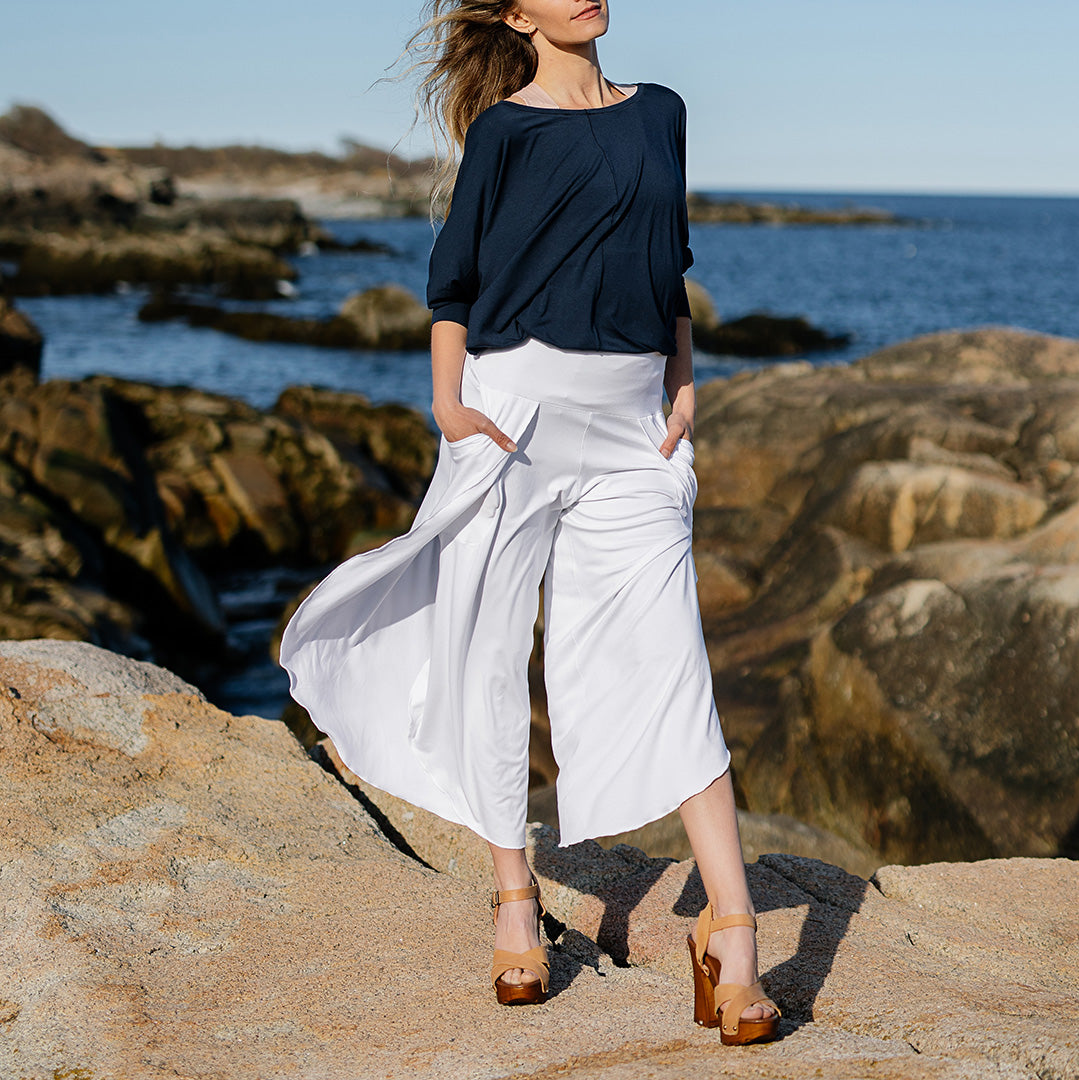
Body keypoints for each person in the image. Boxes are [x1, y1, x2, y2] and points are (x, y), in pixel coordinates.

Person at [279, 0, 780, 1044]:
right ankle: (516, 898)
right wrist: (450, 408)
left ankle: (731, 930)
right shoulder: (504, 130)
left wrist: (687, 389)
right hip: (514, 412)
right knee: (492, 643)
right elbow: (452, 283)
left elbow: (669, 268)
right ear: (516, 14)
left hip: (636, 423)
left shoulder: (662, 112)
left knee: (670, 657)